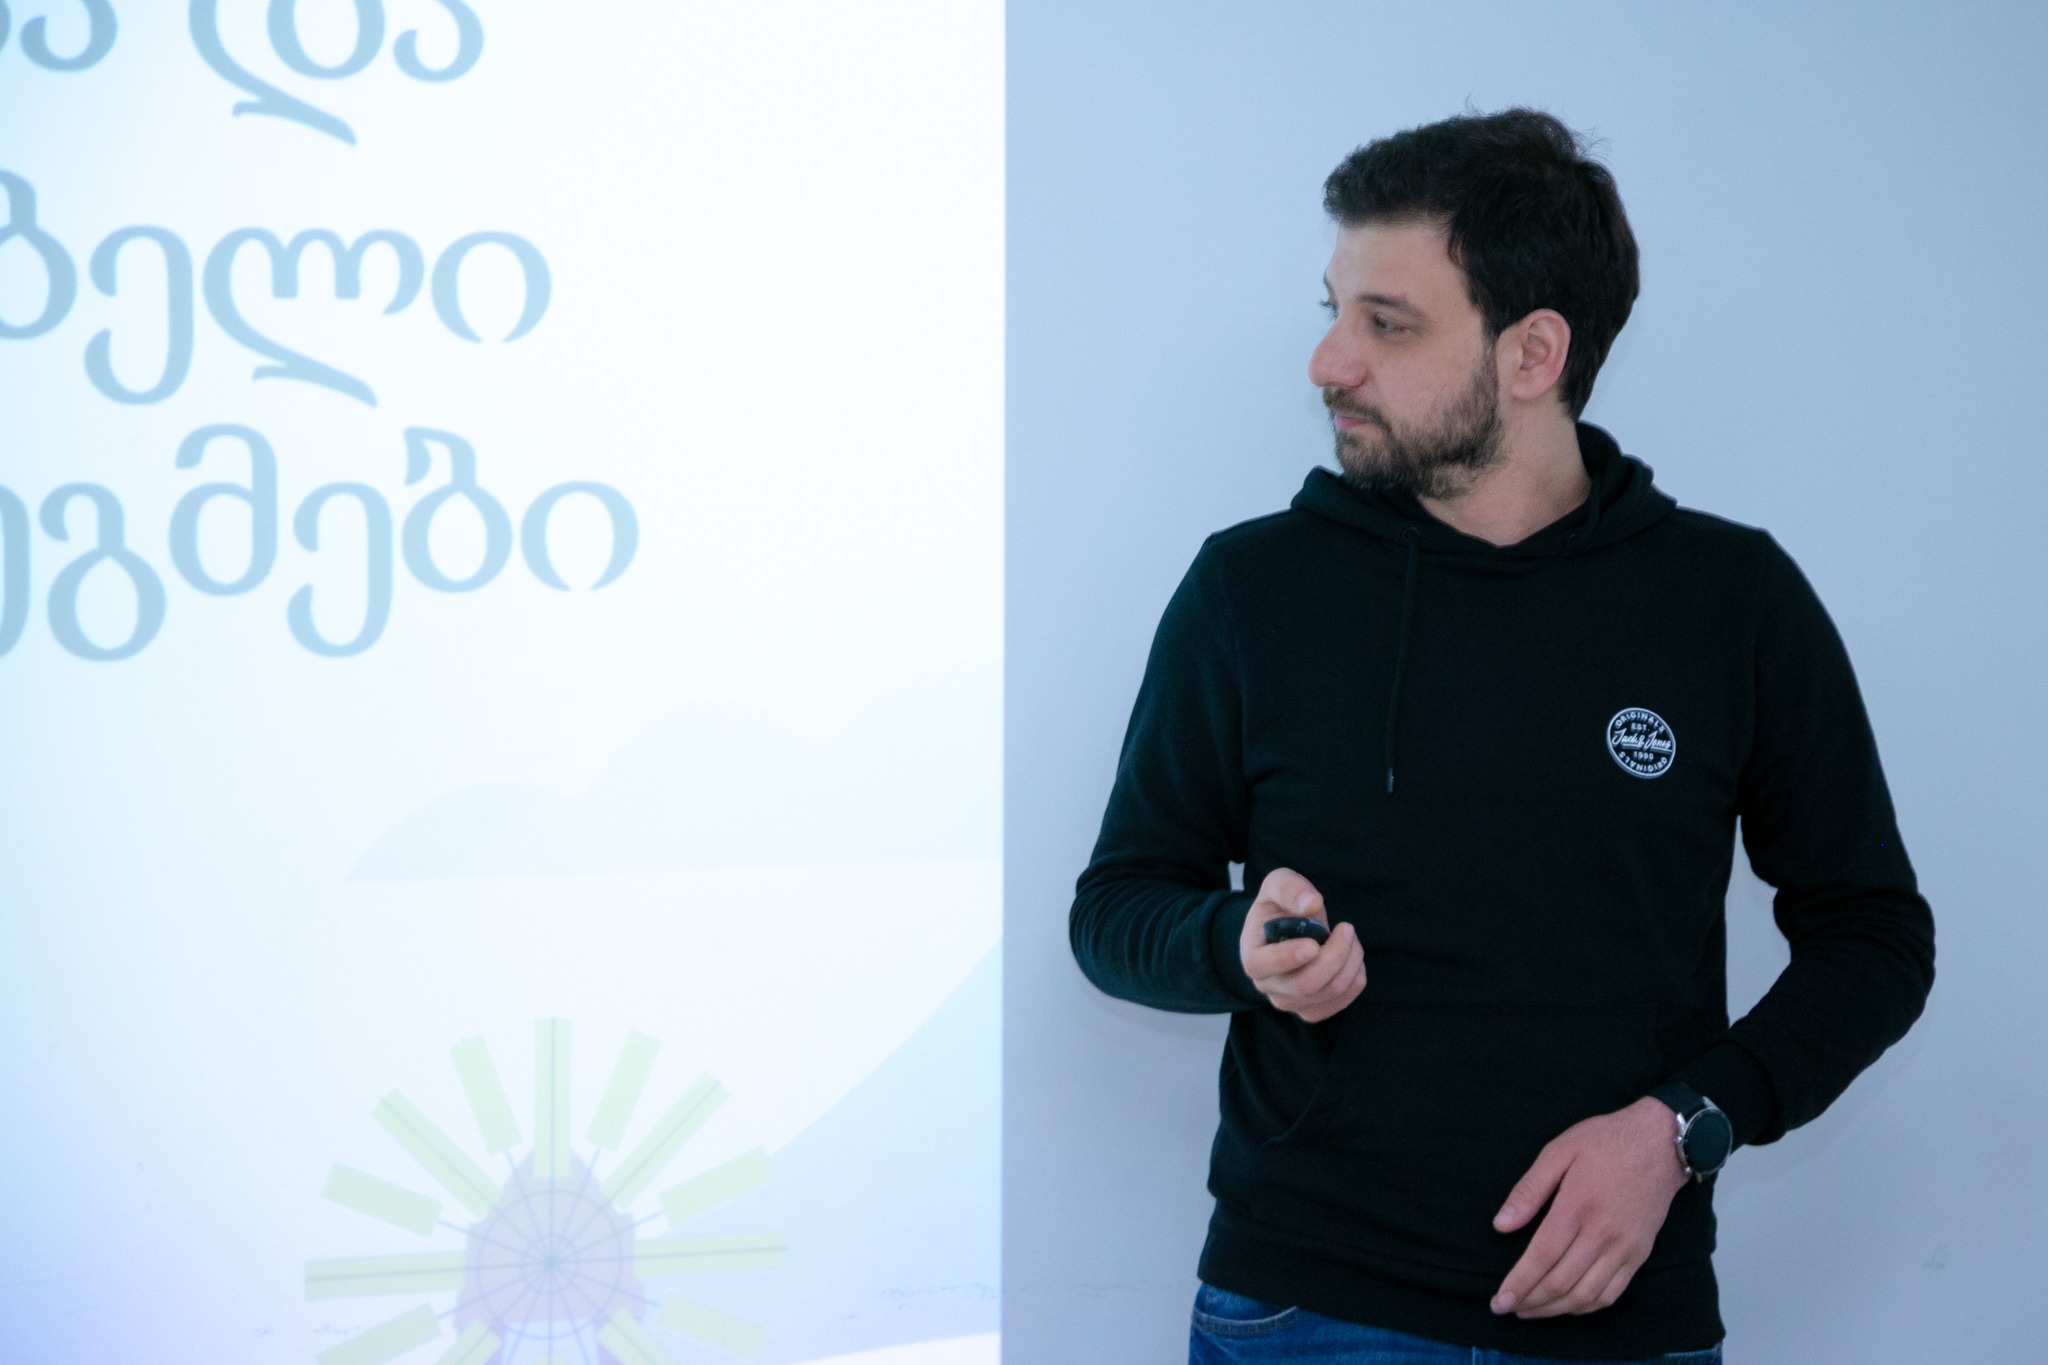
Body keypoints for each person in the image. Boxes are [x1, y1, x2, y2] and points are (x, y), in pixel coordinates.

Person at [1068, 108, 1936, 1364]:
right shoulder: (1251, 591)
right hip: (1304, 1313)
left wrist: (1682, 1126)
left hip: (1619, 1323)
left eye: (1386, 323)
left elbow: (1872, 937)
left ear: (1532, 352)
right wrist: (1231, 942)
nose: (1325, 361)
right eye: (1332, 309)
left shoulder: (1729, 602)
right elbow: (1115, 908)